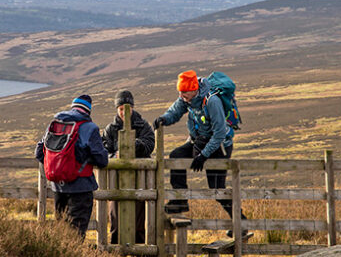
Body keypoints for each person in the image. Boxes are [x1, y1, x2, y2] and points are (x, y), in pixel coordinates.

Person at [153, 70, 247, 237]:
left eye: (184, 92)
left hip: (219, 147)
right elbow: (174, 111)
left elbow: (219, 133)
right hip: (198, 141)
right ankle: (180, 199)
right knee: (176, 156)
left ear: (194, 89)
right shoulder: (186, 99)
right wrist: (163, 119)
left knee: (217, 189)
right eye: (180, 92)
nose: (182, 96)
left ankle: (242, 223)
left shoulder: (212, 101)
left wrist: (203, 155)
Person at [35, 94, 108, 238]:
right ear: (88, 110)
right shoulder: (89, 128)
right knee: (76, 234)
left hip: (57, 187)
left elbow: (39, 152)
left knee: (61, 231)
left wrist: (59, 167)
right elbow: (102, 160)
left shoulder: (55, 124)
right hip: (81, 187)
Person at [102, 90, 155, 244]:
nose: (124, 112)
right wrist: (114, 156)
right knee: (115, 214)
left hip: (139, 178)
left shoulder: (143, 125)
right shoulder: (110, 129)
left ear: (132, 107)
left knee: (139, 215)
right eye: (121, 109)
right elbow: (105, 149)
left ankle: (139, 247)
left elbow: (150, 145)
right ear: (116, 109)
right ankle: (115, 247)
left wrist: (135, 145)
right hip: (116, 180)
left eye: (127, 108)